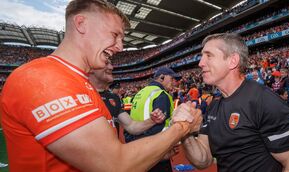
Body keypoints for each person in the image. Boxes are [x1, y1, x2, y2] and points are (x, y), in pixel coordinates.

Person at [0, 1, 202, 171]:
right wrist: (182, 127)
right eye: (115, 35)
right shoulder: (42, 78)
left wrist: (155, 150)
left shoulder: (81, 84)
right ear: (81, 24)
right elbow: (114, 164)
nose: (120, 47)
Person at [178, 33, 289, 172]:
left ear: (233, 61)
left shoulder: (264, 101)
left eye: (209, 55)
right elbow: (203, 160)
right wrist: (185, 132)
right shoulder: (213, 106)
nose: (200, 63)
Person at [88, 60, 166, 137]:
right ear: (90, 69)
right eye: (106, 63)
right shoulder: (80, 95)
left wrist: (152, 120)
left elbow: (131, 126)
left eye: (111, 64)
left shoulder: (113, 98)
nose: (111, 67)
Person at [125, 67, 181, 172]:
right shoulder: (161, 94)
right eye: (172, 78)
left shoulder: (140, 92)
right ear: (162, 77)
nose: (175, 82)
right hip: (155, 150)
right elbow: (158, 127)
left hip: (137, 147)